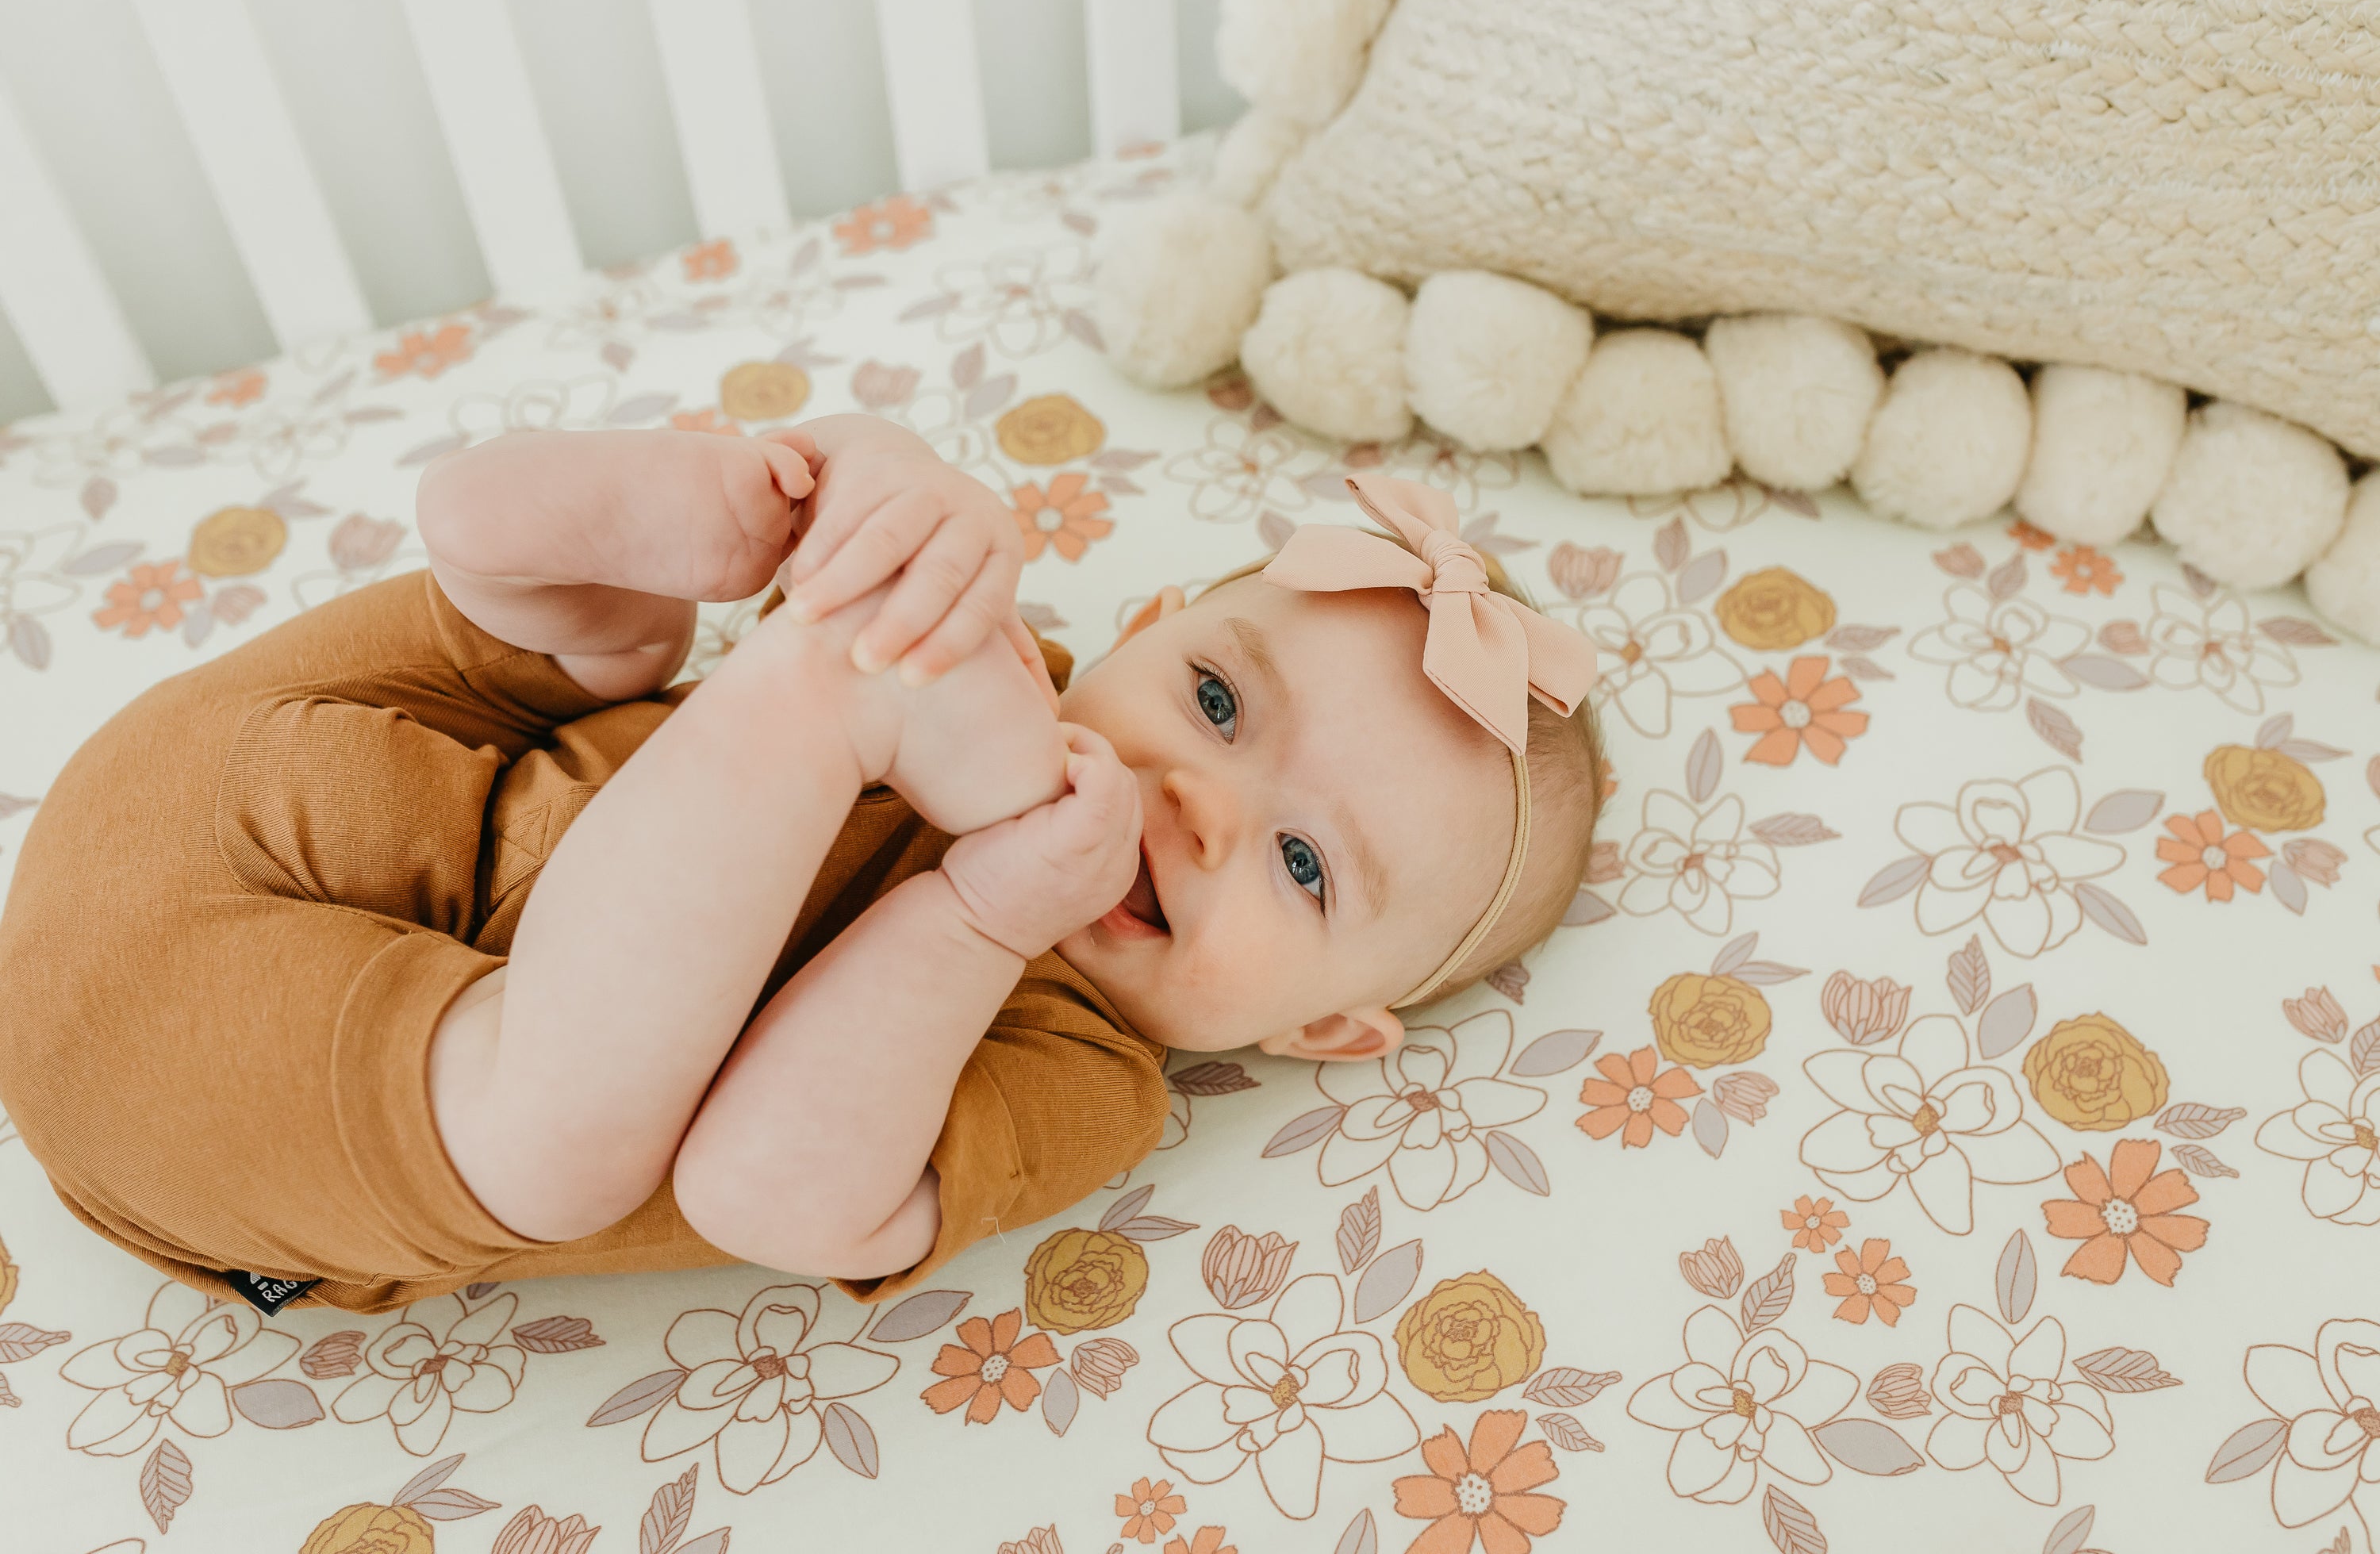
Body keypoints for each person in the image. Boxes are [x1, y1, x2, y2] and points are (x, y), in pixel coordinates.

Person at [0, 415, 1606, 1316]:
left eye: (1306, 866)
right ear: (1136, 631)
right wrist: (877, 515)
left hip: (181, 1047)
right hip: (260, 772)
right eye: (1215, 700)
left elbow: (766, 1185)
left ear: (1326, 1028)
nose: (1195, 805)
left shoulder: (1079, 1069)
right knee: (544, 1112)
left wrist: (978, 917)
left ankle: (543, 586)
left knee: (551, 1110)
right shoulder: (990, 662)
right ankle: (629, 546)